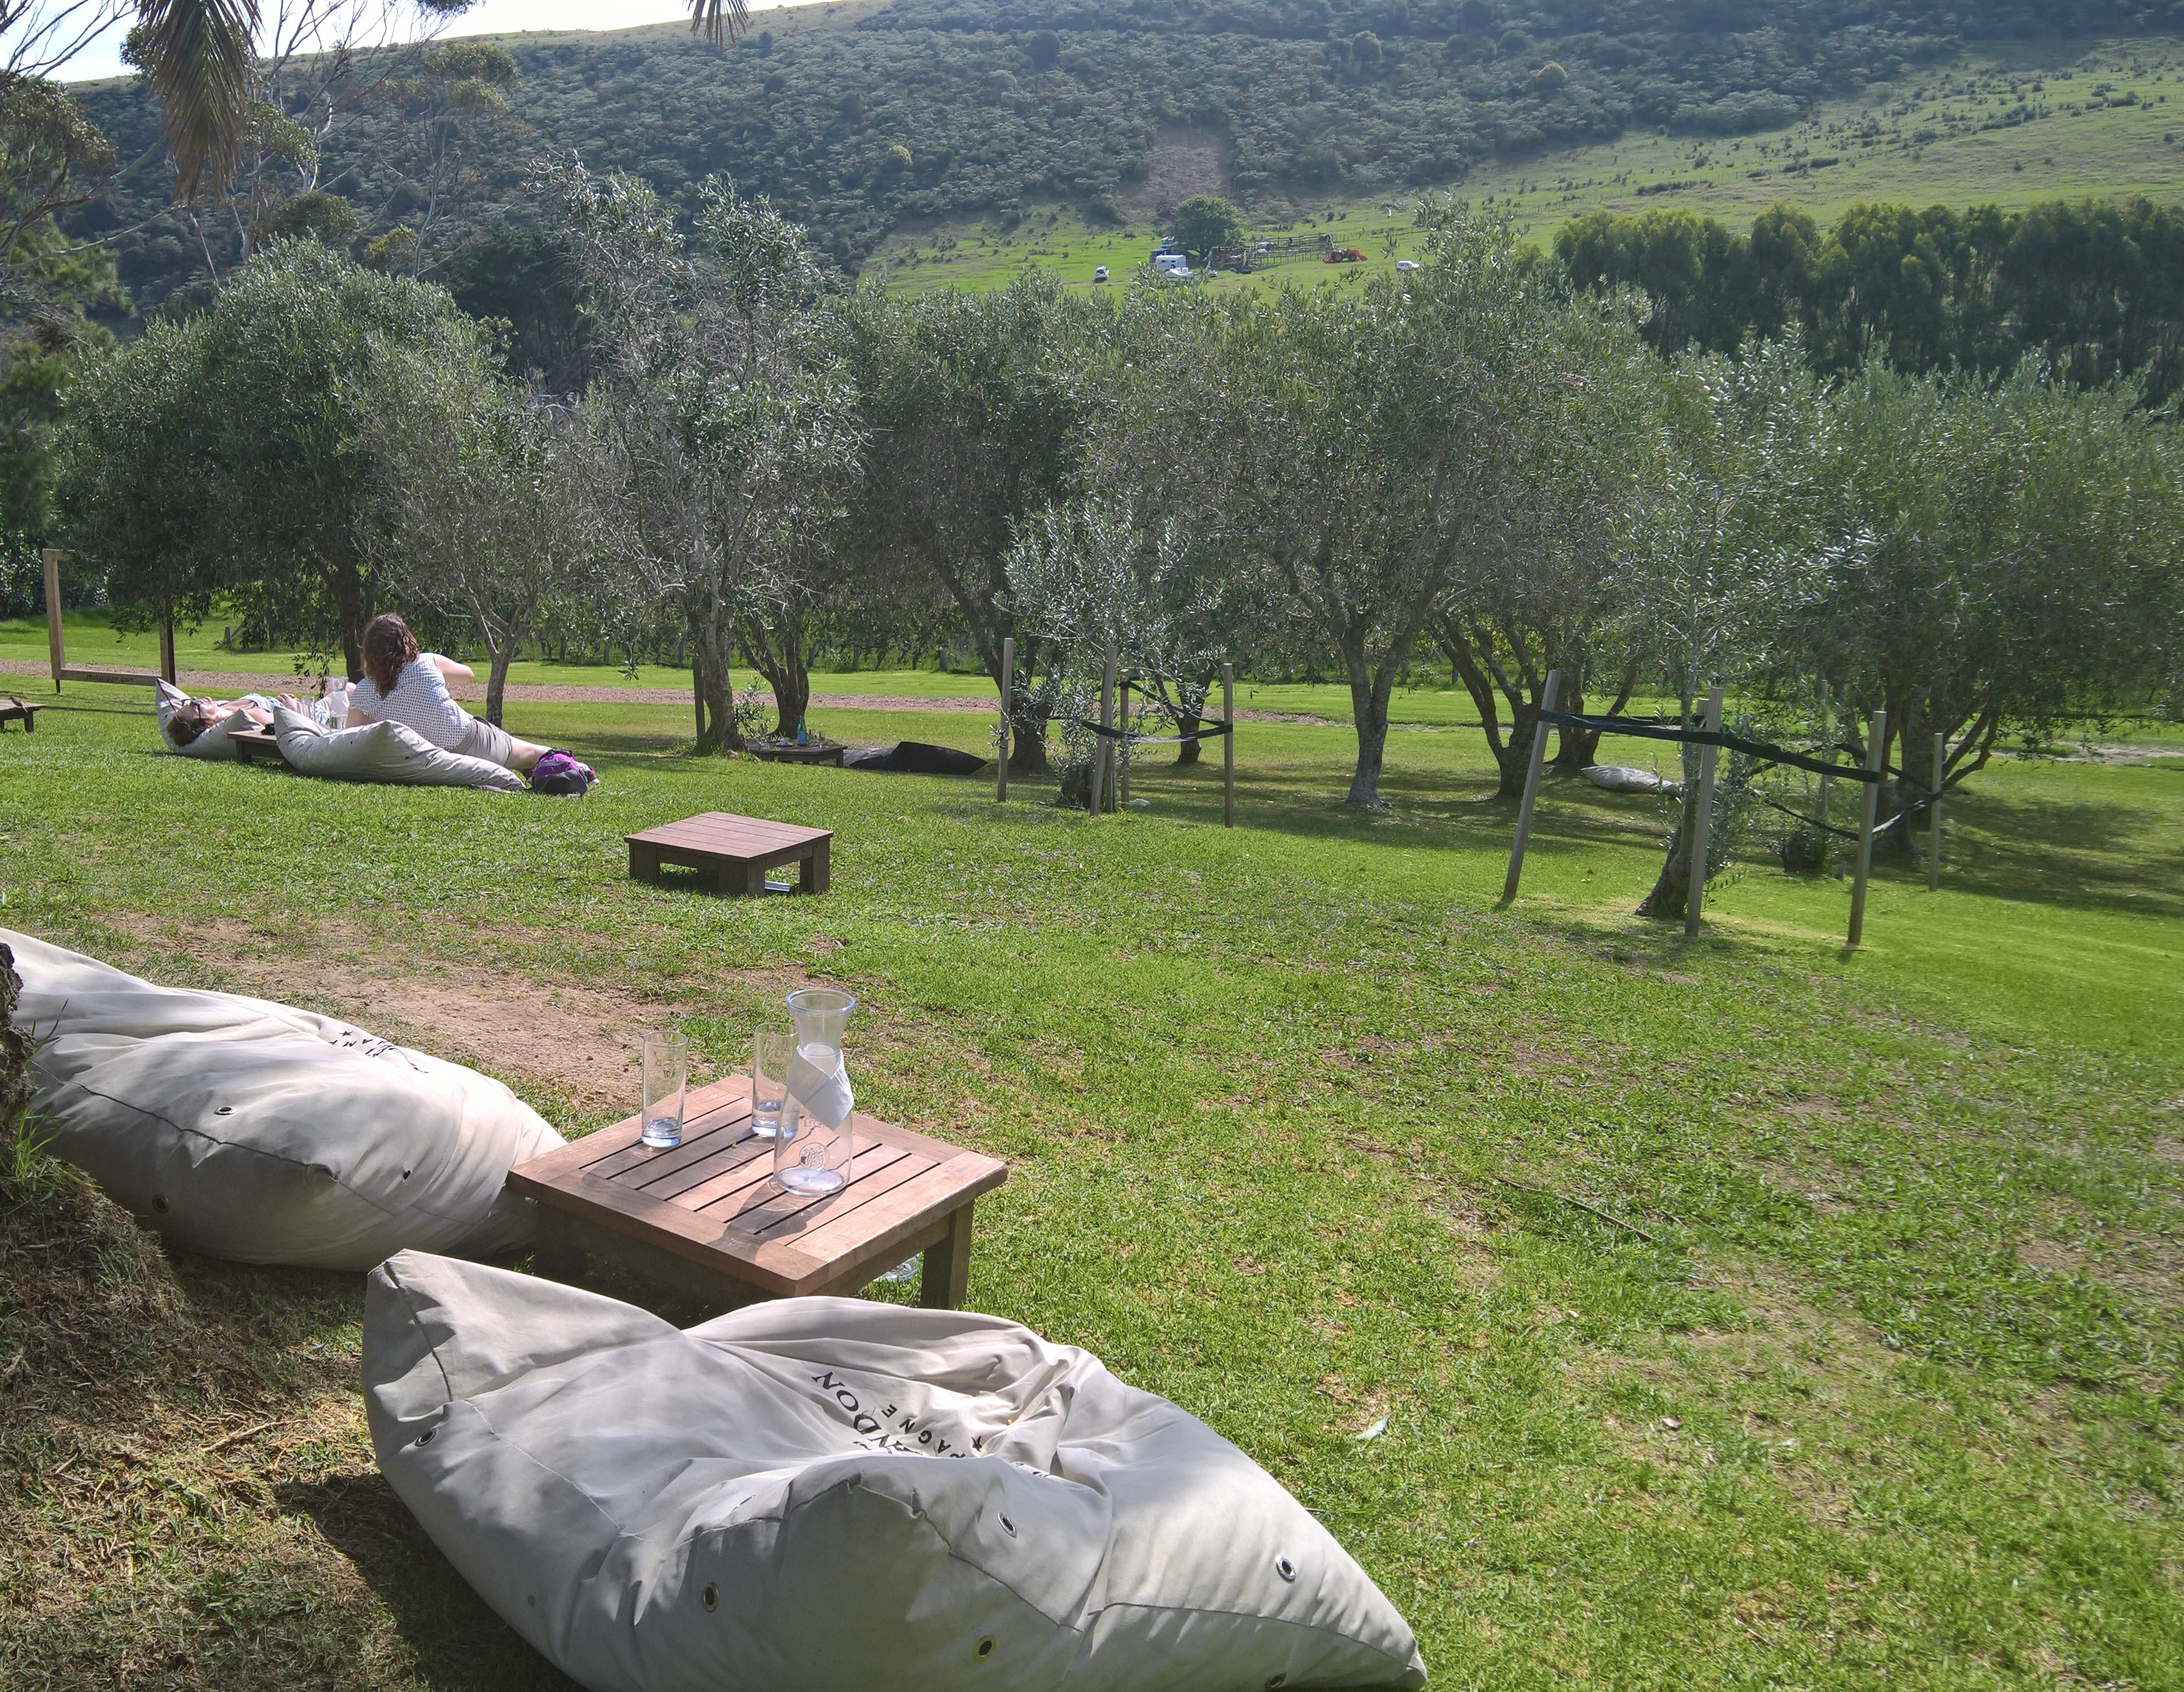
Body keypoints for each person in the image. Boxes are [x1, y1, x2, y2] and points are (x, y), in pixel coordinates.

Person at [344, 614, 552, 776]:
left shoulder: (364, 691)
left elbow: (349, 738)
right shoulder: (428, 662)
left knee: (526, 759)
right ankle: (567, 766)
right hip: (469, 740)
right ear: (405, 640)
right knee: (532, 753)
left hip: (426, 758)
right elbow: (467, 675)